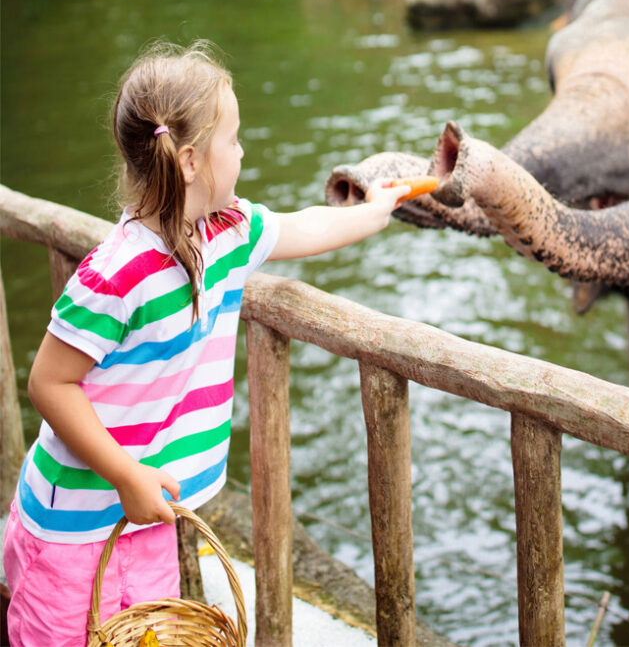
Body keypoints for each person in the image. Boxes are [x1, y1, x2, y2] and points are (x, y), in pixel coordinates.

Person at [3, 41, 411, 647]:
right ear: (190, 160)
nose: (244, 153)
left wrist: (377, 212)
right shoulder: (116, 274)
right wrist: (125, 474)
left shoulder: (226, 232)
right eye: (236, 140)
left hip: (146, 520)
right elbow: (48, 382)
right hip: (77, 523)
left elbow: (303, 226)